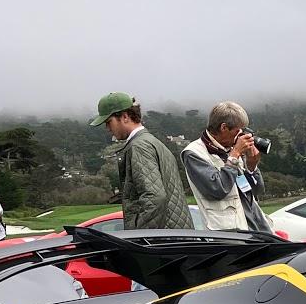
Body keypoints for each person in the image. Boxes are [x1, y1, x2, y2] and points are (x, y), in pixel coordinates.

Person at [89, 91, 191, 230]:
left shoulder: (139, 146)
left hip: (162, 243)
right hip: (174, 238)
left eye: (108, 122)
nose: (107, 129)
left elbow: (155, 198)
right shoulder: (154, 143)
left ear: (125, 116)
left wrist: (138, 236)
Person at [182, 101, 272, 232]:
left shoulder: (230, 148)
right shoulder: (194, 153)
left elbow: (256, 192)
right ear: (224, 127)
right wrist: (234, 155)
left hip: (258, 228)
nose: (241, 136)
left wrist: (252, 167)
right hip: (231, 235)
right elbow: (218, 188)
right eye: (238, 131)